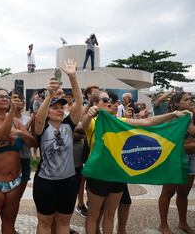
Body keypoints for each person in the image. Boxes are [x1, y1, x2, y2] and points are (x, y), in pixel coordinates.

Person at [82, 91, 193, 234]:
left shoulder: (119, 121)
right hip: (98, 175)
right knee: (93, 215)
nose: (109, 102)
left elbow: (146, 122)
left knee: (110, 215)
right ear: (95, 103)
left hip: (118, 175)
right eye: (104, 100)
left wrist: (174, 115)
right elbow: (83, 124)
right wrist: (89, 113)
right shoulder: (92, 122)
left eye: (109, 99)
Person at [33, 59, 83, 233]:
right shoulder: (42, 126)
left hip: (68, 181)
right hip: (45, 182)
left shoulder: (68, 125)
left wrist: (72, 77)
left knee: (63, 222)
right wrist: (50, 95)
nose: (60, 110)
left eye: (61, 107)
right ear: (48, 111)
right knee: (45, 223)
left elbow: (79, 102)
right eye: (55, 108)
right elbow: (39, 119)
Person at [0, 89, 37, 233]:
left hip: (14, 180)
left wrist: (20, 133)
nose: (5, 99)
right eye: (0, 97)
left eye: (6, 96)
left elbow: (33, 143)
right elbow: (1, 136)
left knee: (9, 222)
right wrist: (11, 112)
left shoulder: (16, 123)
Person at [158, 92, 195, 234]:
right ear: (176, 104)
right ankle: (163, 225)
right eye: (186, 99)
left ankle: (183, 222)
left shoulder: (192, 116)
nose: (190, 101)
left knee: (184, 193)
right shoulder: (171, 120)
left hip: (191, 159)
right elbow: (168, 143)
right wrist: (189, 145)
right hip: (175, 159)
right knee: (168, 192)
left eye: (191, 99)